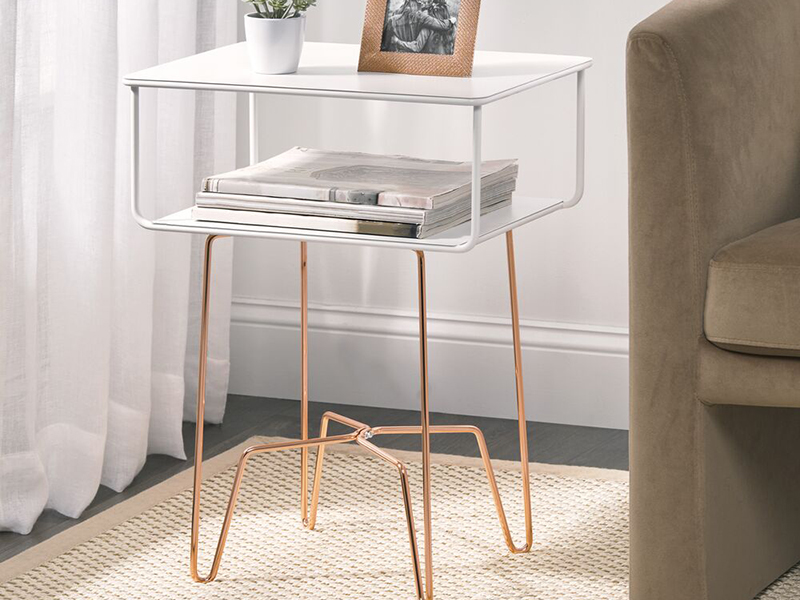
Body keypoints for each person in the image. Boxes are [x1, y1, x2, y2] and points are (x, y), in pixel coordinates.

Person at [381, 0, 454, 54]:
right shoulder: (424, 19)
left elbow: (384, 45)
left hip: (393, 52)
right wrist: (451, 20)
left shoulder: (394, 17)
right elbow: (443, 26)